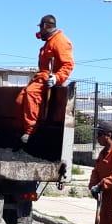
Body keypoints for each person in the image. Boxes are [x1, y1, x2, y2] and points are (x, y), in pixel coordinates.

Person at [15, 14, 74, 143]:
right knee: (20, 100)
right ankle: (23, 127)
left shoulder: (60, 41)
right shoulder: (50, 41)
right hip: (41, 76)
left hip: (48, 77)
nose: (40, 30)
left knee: (31, 93)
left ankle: (30, 131)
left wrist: (57, 77)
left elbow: (68, 64)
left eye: (41, 27)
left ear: (46, 26)